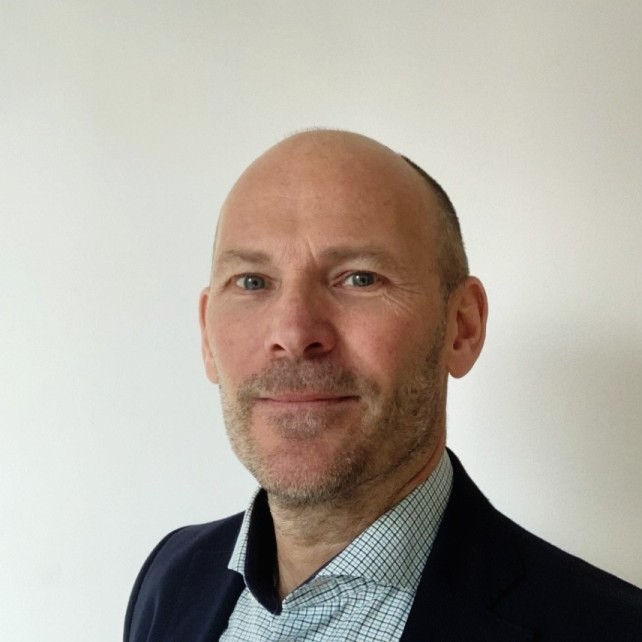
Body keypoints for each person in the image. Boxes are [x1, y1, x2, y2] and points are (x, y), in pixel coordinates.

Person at [124, 130, 642, 641]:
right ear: (207, 336)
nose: (294, 334)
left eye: (360, 278)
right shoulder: (170, 575)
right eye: (253, 282)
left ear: (462, 327)